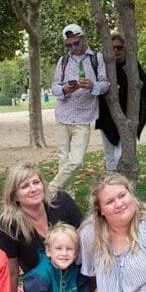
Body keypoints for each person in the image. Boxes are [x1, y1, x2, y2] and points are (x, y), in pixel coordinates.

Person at [0, 163, 85, 292]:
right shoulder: (9, 226)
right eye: (25, 186)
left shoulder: (62, 202)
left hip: (77, 281)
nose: (33, 189)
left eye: (36, 182)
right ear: (15, 196)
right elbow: (11, 273)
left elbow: (86, 241)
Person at [50, 24, 109, 190]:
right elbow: (54, 86)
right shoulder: (63, 61)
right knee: (63, 159)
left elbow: (105, 84)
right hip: (63, 114)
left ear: (83, 39)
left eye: (75, 43)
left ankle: (51, 189)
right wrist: (64, 89)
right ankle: (66, 196)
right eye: (68, 45)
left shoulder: (96, 58)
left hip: (84, 117)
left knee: (76, 160)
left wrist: (92, 86)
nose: (73, 48)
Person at [95, 31, 146, 171]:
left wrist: (132, 77)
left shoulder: (132, 65)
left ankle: (122, 182)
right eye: (112, 47)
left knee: (121, 154)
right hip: (107, 119)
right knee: (110, 156)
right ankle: (112, 182)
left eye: (119, 47)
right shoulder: (104, 67)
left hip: (127, 118)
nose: (116, 50)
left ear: (124, 49)